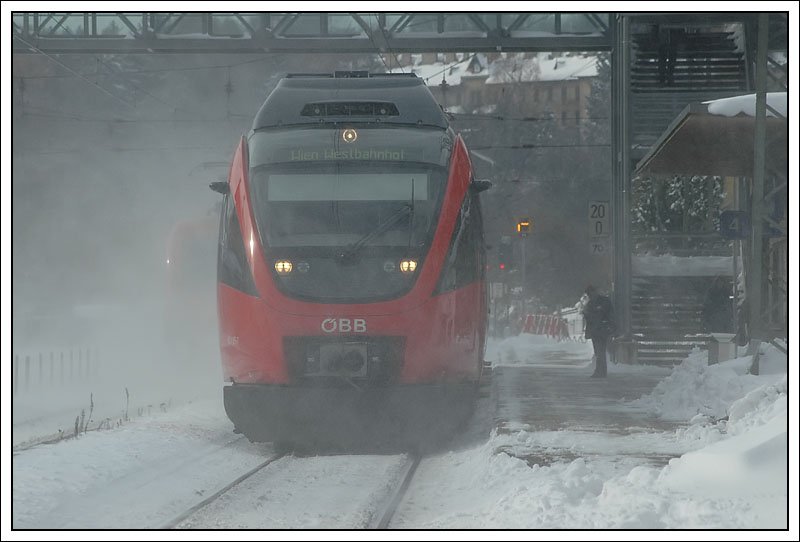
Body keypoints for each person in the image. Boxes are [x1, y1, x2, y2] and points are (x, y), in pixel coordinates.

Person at [582, 285, 616, 378]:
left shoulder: (603, 301)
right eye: (588, 294)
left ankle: (600, 371)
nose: (590, 295)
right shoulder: (591, 303)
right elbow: (589, 317)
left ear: (594, 292)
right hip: (596, 330)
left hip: (602, 329)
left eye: (590, 293)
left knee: (600, 351)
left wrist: (610, 326)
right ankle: (601, 371)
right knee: (598, 352)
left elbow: (607, 314)